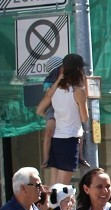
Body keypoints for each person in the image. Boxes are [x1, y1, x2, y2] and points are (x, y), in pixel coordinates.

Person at [35, 53, 89, 186]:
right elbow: (84, 118)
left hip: (57, 139)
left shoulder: (54, 89)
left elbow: (39, 110)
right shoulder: (78, 91)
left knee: (54, 186)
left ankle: (51, 207)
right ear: (78, 70)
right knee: (61, 189)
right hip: (70, 139)